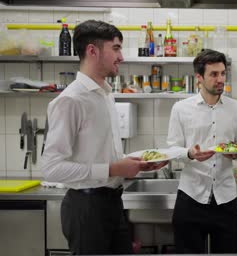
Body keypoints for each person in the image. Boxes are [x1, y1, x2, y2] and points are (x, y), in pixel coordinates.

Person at [41, 20, 167, 255]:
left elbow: (103, 154)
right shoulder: (70, 100)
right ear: (92, 51)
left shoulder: (106, 95)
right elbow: (51, 169)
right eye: (116, 48)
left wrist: (137, 162)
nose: (121, 56)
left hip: (111, 203)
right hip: (86, 207)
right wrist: (112, 169)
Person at [167, 49, 237, 254]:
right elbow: (172, 149)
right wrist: (189, 153)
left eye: (222, 73)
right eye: (214, 74)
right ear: (199, 78)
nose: (220, 79)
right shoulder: (180, 108)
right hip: (191, 197)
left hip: (225, 197)